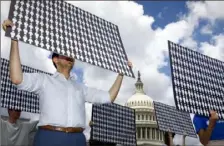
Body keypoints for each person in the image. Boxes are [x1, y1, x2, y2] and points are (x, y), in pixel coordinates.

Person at [2, 19, 133, 146]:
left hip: (77, 139)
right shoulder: (43, 80)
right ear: (55, 59)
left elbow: (109, 97)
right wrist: (15, 39)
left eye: (72, 53)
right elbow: (17, 78)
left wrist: (121, 74)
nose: (70, 55)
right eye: (65, 52)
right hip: (49, 137)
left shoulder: (81, 88)